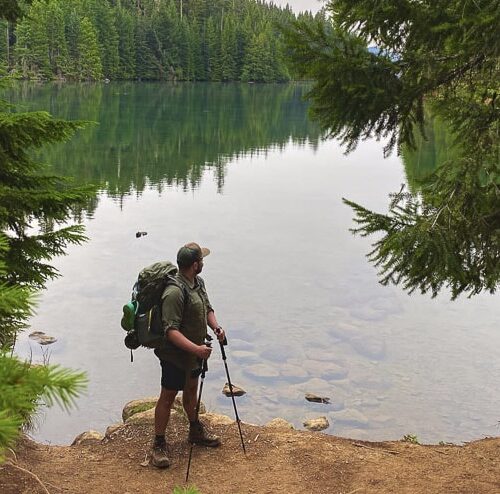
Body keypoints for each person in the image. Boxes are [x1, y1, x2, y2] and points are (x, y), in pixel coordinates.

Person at [151, 242, 226, 468]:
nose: (203, 263)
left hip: (195, 353)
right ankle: (158, 444)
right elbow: (171, 331)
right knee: (168, 395)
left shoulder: (198, 283)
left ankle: (194, 430)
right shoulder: (174, 291)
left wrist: (216, 328)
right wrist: (197, 350)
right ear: (195, 265)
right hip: (175, 355)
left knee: (192, 390)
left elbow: (207, 309)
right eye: (201, 260)